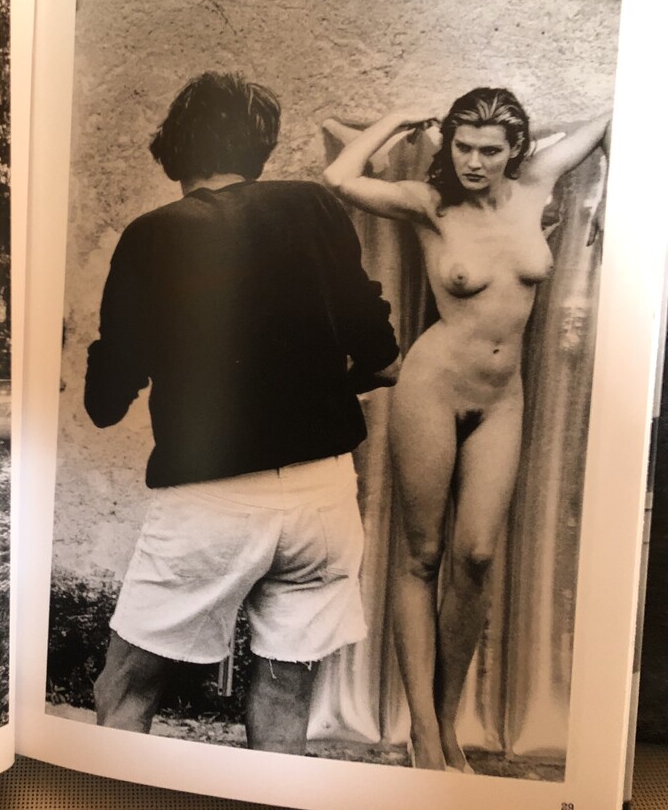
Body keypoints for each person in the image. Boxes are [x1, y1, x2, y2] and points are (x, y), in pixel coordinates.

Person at [85, 72, 399, 754]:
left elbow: (105, 403)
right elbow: (383, 355)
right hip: (324, 498)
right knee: (286, 695)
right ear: (261, 146)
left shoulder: (153, 233)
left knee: (125, 689)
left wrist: (107, 365)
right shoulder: (316, 207)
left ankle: (110, 801)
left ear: (175, 143)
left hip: (212, 500)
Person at [322, 87, 610, 771]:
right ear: (448, 144)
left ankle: (448, 722)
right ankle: (425, 734)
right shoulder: (430, 205)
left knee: (476, 555)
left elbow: (612, 117)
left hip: (504, 398)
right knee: (422, 556)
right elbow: (339, 176)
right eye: (462, 146)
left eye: (490, 150)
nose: (474, 162)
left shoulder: (537, 187)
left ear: (517, 151)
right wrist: (398, 119)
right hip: (433, 389)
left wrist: (620, 201)